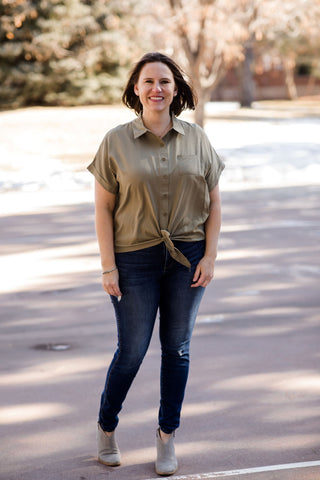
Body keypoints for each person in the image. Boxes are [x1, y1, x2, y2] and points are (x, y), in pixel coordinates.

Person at [87, 51, 224, 476]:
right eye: (148, 81)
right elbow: (103, 210)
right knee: (131, 351)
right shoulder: (115, 141)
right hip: (134, 259)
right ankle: (106, 427)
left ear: (176, 89)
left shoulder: (197, 138)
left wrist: (212, 256)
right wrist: (109, 267)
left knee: (177, 351)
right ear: (135, 88)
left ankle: (167, 435)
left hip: (188, 258)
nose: (157, 89)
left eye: (165, 81)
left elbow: (214, 201)